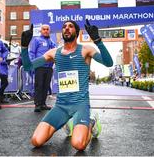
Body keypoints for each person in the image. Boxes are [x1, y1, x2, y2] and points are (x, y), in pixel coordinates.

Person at [30, 19, 113, 151]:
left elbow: (109, 63)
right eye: (64, 27)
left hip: (80, 104)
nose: (66, 28)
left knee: (78, 144)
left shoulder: (86, 50)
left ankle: (91, 122)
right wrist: (24, 48)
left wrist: (98, 41)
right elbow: (29, 66)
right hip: (61, 106)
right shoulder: (53, 52)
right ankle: (68, 121)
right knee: (36, 141)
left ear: (77, 32)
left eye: (70, 26)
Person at [28, 24, 56, 112]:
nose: (46, 31)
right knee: (39, 86)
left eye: (47, 29)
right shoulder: (36, 40)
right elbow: (32, 53)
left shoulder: (51, 42)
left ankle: (43, 103)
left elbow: (55, 53)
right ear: (41, 31)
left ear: (49, 31)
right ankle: (37, 104)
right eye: (44, 29)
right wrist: (33, 65)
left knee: (46, 86)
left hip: (49, 68)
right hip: (39, 67)